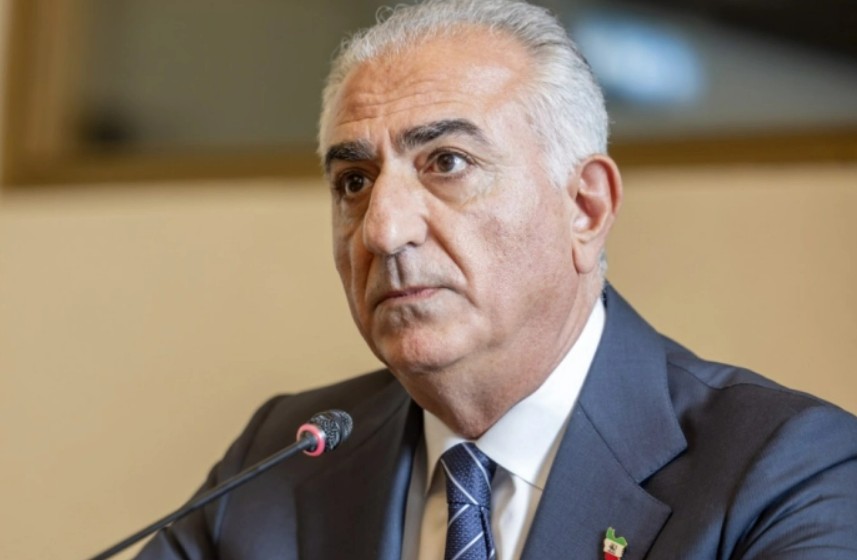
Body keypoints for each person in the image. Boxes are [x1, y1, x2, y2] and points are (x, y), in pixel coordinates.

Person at [137, 1, 857, 558]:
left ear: (585, 208)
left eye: (446, 162)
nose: (383, 230)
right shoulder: (282, 455)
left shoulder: (787, 469)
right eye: (354, 180)